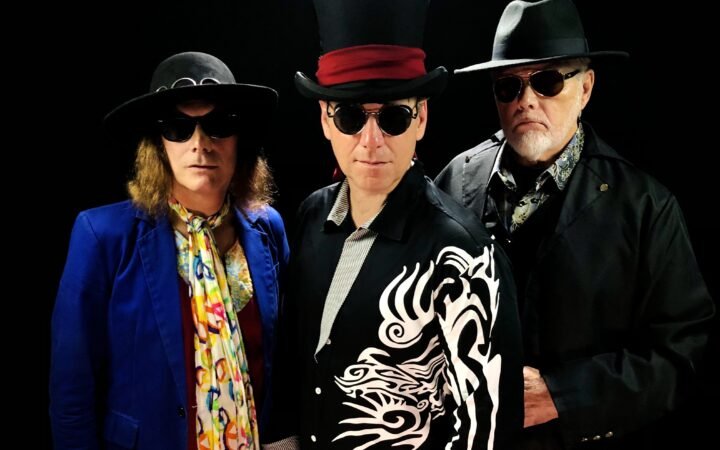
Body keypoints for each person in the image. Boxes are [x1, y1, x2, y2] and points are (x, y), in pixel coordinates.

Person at [435, 0, 715, 448]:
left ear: (585, 88)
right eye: (508, 86)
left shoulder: (645, 207)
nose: (526, 100)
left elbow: (680, 355)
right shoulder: (454, 180)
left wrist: (562, 396)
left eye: (547, 81)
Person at [264, 1, 523, 449]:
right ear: (325, 119)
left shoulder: (463, 255)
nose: (371, 141)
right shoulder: (310, 216)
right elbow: (293, 364)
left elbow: (488, 428)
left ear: (421, 118)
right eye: (350, 116)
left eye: (393, 117)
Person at [49, 51, 289, 450]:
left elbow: (284, 365)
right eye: (178, 128)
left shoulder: (267, 229)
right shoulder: (103, 236)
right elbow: (72, 393)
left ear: (240, 139)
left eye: (219, 125)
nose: (201, 143)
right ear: (158, 145)